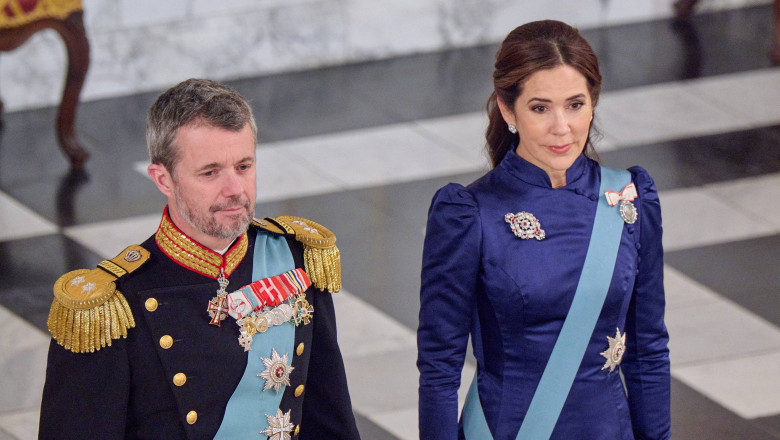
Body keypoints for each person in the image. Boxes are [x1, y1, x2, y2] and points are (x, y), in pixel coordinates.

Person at [39, 78, 361, 440]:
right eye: (210, 173)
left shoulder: (297, 257)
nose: (235, 190)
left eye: (244, 166)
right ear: (163, 179)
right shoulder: (108, 310)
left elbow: (329, 420)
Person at [417, 20, 670, 439]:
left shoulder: (629, 197)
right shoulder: (468, 214)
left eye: (575, 104)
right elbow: (440, 369)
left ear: (593, 103)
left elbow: (648, 352)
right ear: (506, 108)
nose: (561, 127)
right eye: (540, 107)